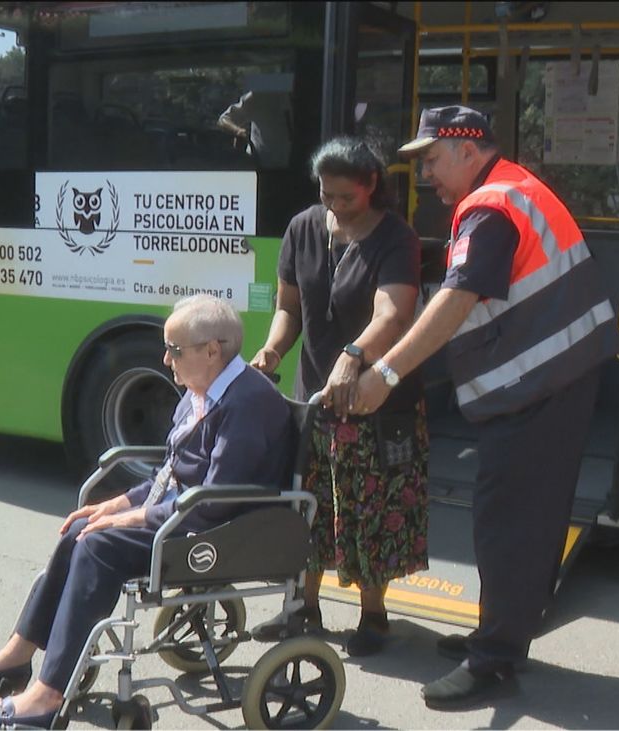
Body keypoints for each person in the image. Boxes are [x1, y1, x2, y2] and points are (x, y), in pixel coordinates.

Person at [352, 106, 619, 709]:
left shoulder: (490, 207)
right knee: (526, 518)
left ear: (468, 150)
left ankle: (494, 658)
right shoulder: (513, 189)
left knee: (508, 521)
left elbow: (456, 299)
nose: (426, 175)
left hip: (542, 383)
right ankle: (499, 633)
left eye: (432, 159)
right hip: (560, 376)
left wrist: (389, 370)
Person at [0, 294, 293, 729]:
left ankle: (46, 698)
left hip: (220, 527)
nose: (166, 360)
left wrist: (127, 519)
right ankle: (18, 656)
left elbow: (214, 501)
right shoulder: (199, 392)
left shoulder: (247, 404)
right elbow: (171, 474)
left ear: (212, 350)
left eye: (175, 350)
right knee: (80, 530)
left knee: (98, 546)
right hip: (186, 511)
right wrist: (115, 504)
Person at [248, 137, 429, 657]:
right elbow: (290, 309)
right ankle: (304, 607)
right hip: (315, 397)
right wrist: (272, 352)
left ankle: (374, 615)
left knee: (372, 508)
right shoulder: (304, 227)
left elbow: (392, 315)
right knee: (306, 504)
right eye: (327, 195)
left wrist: (354, 354)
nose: (334, 207)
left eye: (345, 198)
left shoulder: (397, 238)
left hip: (378, 400)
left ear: (371, 186)